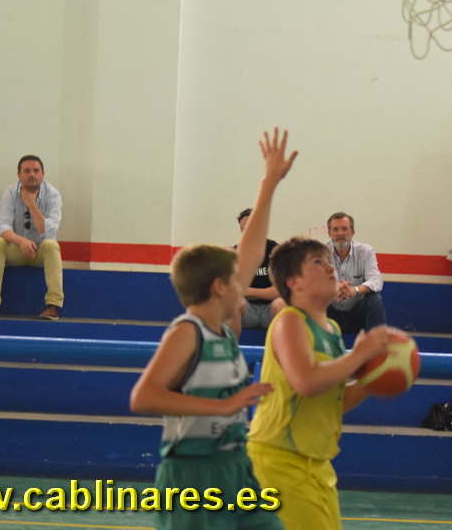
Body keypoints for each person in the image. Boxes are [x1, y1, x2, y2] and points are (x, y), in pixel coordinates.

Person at [129, 128, 297, 530]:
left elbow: (252, 250)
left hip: (235, 466)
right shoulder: (188, 331)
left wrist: (269, 184)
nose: (246, 279)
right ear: (220, 287)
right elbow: (143, 397)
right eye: (237, 277)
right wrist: (221, 407)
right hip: (193, 475)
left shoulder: (225, 329)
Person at [246, 236, 399, 529]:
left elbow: (334, 400)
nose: (331, 268)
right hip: (279, 461)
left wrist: (372, 379)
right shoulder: (289, 321)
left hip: (316, 464)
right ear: (293, 282)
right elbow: (306, 382)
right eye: (318, 262)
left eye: (329, 262)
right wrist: (360, 356)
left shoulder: (331, 329)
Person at [0, 155, 63, 320]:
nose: (32, 174)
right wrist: (21, 241)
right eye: (27, 171)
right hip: (17, 251)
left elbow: (49, 232)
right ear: (19, 174)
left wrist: (31, 204)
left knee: (51, 245)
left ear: (43, 174)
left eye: (36, 171)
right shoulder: (10, 192)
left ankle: (53, 305)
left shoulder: (53, 195)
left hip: (40, 254)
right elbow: (1, 227)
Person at [325, 211, 386, 334]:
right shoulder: (320, 253)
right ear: (329, 233)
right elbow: (311, 284)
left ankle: (377, 344)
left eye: (344, 229)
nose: (340, 233)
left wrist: (354, 290)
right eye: (335, 229)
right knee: (310, 300)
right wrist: (334, 289)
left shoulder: (366, 252)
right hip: (329, 314)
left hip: (357, 315)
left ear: (353, 232)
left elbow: (376, 281)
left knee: (374, 300)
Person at [235, 207, 286, 329]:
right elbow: (234, 292)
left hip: (271, 309)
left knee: (282, 304)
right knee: (232, 304)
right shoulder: (236, 253)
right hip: (247, 310)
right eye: (243, 230)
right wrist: (264, 292)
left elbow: (278, 291)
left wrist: (248, 292)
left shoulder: (276, 251)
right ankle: (230, 341)